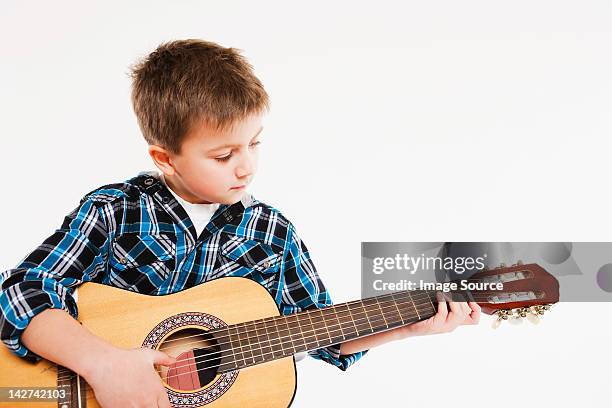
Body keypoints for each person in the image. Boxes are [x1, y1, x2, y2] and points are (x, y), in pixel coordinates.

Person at [0, 39, 481, 408]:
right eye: (224, 154)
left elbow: (325, 336)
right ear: (164, 158)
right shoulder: (115, 210)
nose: (245, 167)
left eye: (255, 144)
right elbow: (21, 289)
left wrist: (414, 326)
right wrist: (103, 364)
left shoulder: (272, 234)